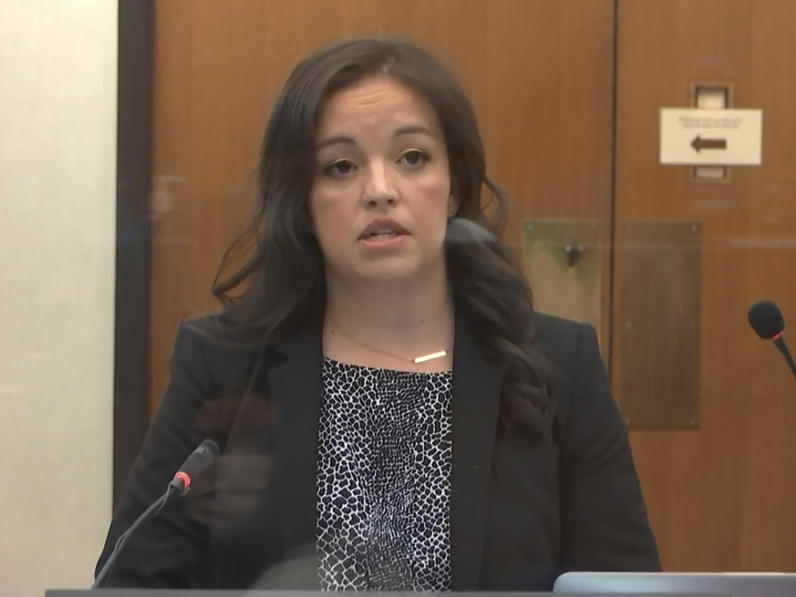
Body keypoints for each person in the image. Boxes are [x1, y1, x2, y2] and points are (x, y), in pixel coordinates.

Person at [96, 37, 660, 590]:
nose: (380, 190)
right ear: (303, 199)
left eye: (412, 158)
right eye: (340, 167)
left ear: (455, 183)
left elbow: (623, 584)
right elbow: (132, 579)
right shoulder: (224, 365)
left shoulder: (557, 367)